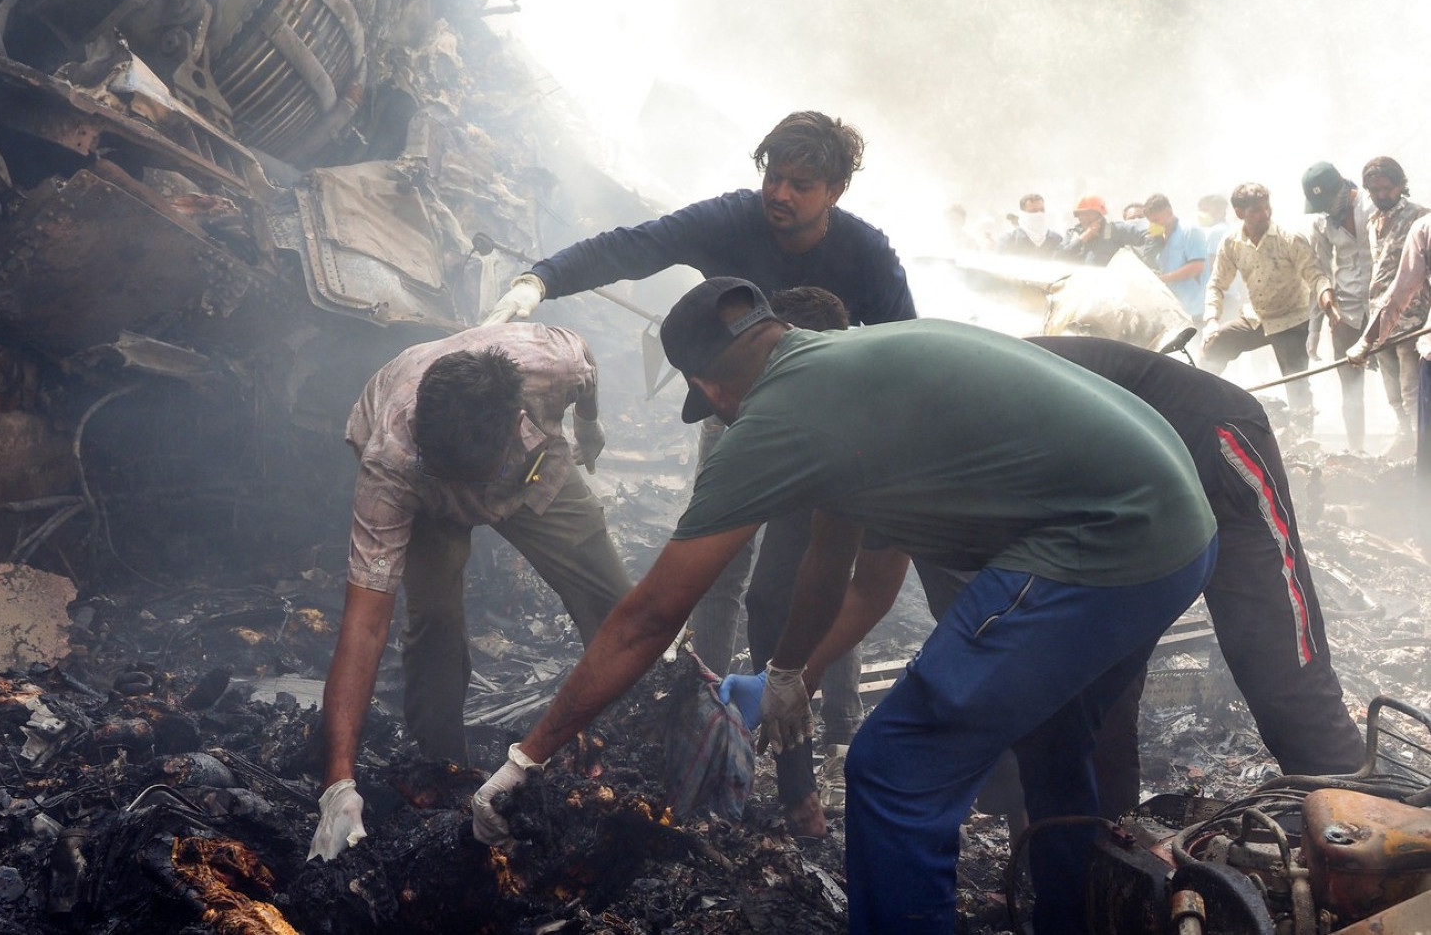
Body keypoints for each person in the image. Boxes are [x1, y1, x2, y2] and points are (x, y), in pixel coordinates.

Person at [472, 277, 1218, 935]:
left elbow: (650, 615)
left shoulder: (774, 418)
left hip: (1101, 546)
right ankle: (1068, 923)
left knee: (895, 770)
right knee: (1053, 743)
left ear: (711, 390)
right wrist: (788, 674)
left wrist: (526, 757)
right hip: (1177, 531)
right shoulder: (847, 368)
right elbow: (848, 572)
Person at [484, 110, 916, 676]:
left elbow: (902, 349)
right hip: (731, 410)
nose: (779, 194)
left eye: (801, 185)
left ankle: (820, 710)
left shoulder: (867, 254)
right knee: (717, 563)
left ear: (834, 191)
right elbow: (635, 246)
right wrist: (540, 280)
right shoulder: (731, 220)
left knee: (807, 575)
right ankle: (709, 696)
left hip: (820, 426)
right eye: (773, 177)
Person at [919, 336, 1362, 820]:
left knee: (1278, 663)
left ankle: (1366, 828)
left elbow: (983, 639)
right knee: (1091, 684)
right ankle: (1102, 848)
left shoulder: (927, 438)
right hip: (1110, 497)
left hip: (1205, 443)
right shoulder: (918, 465)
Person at [308, 324, 631, 862]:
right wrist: (337, 783)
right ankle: (444, 774)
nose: (474, 498)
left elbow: (588, 369)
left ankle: (618, 749)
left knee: (615, 604)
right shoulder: (391, 466)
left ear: (516, 420)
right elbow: (364, 626)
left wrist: (589, 424)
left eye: (477, 477)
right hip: (425, 495)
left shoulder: (552, 365)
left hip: (530, 474)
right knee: (434, 621)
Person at [728, 286, 865, 837]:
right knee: (769, 600)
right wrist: (782, 679)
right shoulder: (786, 405)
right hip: (811, 468)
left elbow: (867, 586)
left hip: (897, 485)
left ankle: (843, 732)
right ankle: (798, 789)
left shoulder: (865, 399)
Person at [1203, 182, 1339, 425]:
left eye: (1266, 207)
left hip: (1292, 319)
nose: (1264, 214)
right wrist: (1211, 320)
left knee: (1295, 381)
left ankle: (1302, 433)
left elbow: (1316, 276)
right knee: (1215, 347)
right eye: (1256, 210)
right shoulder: (1231, 242)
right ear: (1239, 213)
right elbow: (1216, 284)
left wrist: (1327, 298)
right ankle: (1204, 404)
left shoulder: (1289, 238)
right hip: (1256, 317)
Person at [1348, 214, 1431, 550]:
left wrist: (1367, 340)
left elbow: (1399, 292)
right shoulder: (1425, 230)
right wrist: (1368, 340)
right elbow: (1400, 291)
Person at [1359, 157, 1428, 458]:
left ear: (1400, 184)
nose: (1381, 195)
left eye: (1386, 188)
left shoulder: (1419, 217)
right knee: (1393, 390)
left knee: (1412, 388)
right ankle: (1404, 435)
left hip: (1412, 317)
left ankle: (1420, 446)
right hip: (1381, 316)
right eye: (1374, 190)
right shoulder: (1372, 222)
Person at [1304, 162, 1374, 452]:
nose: (1326, 209)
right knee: (1351, 386)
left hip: (1385, 306)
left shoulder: (1372, 207)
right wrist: (1315, 328)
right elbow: (1319, 274)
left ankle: (1409, 439)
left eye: (1328, 201)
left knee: (1399, 378)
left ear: (1342, 188)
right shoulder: (1322, 223)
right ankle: (1357, 450)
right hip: (1346, 312)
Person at [1144, 193, 1208, 322]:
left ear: (1169, 212)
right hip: (1177, 310)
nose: (1154, 225)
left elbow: (1197, 267)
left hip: (1197, 307)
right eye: (1151, 222)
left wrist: (1162, 279)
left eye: (1156, 220)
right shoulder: (1158, 238)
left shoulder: (1189, 230)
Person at [1061, 194, 1149, 267]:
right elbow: (1059, 258)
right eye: (1080, 214)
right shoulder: (1073, 234)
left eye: (1088, 213)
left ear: (1099, 215)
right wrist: (1082, 239)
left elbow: (1145, 237)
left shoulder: (1114, 230)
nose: (1083, 218)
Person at [995, 192, 1065, 257]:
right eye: (1033, 211)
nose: (1039, 214)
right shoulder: (1009, 239)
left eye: (1042, 210)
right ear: (1023, 214)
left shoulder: (1057, 239)